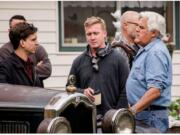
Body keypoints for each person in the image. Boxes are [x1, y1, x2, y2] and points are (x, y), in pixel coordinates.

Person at [66, 16, 129, 116]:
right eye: (89, 34)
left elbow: (125, 92)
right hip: (86, 122)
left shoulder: (119, 59)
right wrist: (83, 92)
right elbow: (69, 89)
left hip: (111, 122)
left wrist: (116, 117)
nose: (92, 37)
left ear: (105, 34)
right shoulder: (78, 62)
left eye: (96, 33)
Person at [126, 11, 172, 133]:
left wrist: (132, 110)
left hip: (150, 117)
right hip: (145, 114)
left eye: (141, 27)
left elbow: (155, 90)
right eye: (137, 26)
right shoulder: (147, 50)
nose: (137, 29)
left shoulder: (155, 52)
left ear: (154, 33)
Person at [0, 15, 52, 86]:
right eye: (33, 40)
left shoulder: (30, 66)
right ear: (22, 43)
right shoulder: (5, 68)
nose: (37, 43)